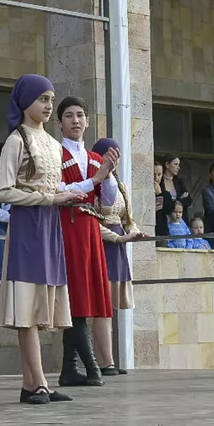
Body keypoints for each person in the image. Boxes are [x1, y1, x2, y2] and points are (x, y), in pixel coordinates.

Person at [0, 75, 82, 404]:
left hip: (49, 226)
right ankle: (38, 381)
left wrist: (66, 194)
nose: (48, 105)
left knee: (42, 304)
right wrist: (50, 199)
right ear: (25, 101)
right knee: (27, 307)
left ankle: (33, 383)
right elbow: (4, 191)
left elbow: (52, 186)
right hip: (27, 227)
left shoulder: (52, 144)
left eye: (50, 99)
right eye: (42, 99)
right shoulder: (16, 141)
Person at [55, 96, 119, 388]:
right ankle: (91, 365)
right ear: (59, 123)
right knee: (76, 295)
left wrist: (107, 178)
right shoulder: (55, 154)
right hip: (67, 225)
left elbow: (107, 203)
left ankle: (70, 369)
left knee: (88, 295)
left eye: (80, 115)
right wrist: (95, 179)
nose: (76, 120)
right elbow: (58, 189)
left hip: (91, 225)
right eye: (69, 116)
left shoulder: (95, 158)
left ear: (88, 121)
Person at [91, 136, 142, 376]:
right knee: (102, 305)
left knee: (111, 305)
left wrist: (133, 232)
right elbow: (90, 220)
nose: (114, 159)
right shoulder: (93, 183)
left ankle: (108, 359)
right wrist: (118, 238)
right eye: (109, 154)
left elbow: (128, 218)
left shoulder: (121, 185)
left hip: (119, 244)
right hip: (101, 243)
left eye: (117, 155)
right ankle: (105, 361)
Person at [156, 155, 191, 236]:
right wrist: (179, 200)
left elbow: (189, 200)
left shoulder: (179, 182)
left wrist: (174, 203)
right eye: (176, 164)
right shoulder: (159, 181)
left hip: (178, 219)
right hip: (164, 219)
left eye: (179, 165)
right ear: (167, 165)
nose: (178, 167)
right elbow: (162, 200)